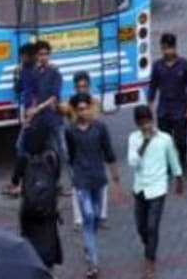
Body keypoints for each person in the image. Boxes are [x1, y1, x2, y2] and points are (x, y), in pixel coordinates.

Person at [67, 93, 119, 279]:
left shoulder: (100, 128)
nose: (84, 112)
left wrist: (115, 176)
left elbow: (109, 151)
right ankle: (93, 263)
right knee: (88, 216)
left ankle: (89, 246)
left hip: (98, 178)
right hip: (81, 180)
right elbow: (71, 155)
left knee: (95, 216)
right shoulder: (70, 131)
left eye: (86, 108)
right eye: (80, 109)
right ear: (75, 111)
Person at [128, 104, 185, 276]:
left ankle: (150, 260)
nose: (146, 126)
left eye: (148, 121)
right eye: (142, 122)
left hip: (158, 189)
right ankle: (149, 245)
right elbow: (133, 162)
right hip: (140, 188)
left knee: (153, 226)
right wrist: (145, 142)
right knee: (141, 227)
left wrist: (178, 178)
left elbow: (173, 159)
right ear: (137, 124)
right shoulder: (134, 139)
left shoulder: (164, 139)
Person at [13, 117, 62, 271]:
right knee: (48, 240)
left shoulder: (24, 159)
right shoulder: (52, 158)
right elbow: (56, 177)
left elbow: (14, 180)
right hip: (49, 210)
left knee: (29, 242)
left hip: (29, 211)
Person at [147, 33, 187, 178]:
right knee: (165, 140)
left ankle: (183, 161)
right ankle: (168, 165)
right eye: (164, 49)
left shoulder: (184, 65)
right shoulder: (157, 66)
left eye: (169, 48)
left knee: (181, 140)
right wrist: (149, 105)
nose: (166, 52)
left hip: (180, 109)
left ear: (174, 48)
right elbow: (153, 87)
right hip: (164, 109)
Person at [65, 72, 109, 230]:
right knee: (77, 186)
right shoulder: (71, 103)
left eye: (84, 86)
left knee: (102, 183)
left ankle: (102, 216)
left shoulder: (94, 103)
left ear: (89, 86)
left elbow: (97, 122)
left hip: (94, 147)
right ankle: (78, 220)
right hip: (78, 149)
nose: (81, 89)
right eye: (78, 87)